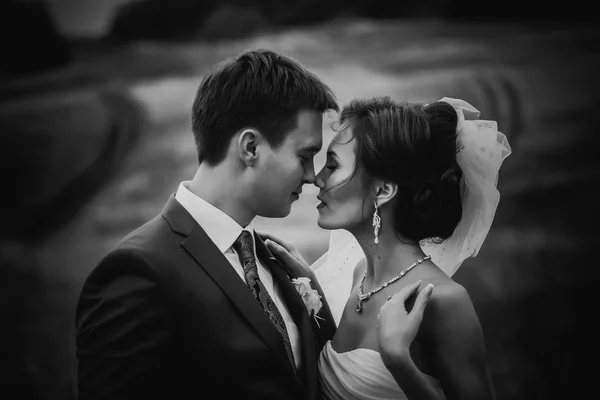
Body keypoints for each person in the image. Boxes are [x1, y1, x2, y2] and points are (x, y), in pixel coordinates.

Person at [75, 49, 340, 400]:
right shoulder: (138, 271)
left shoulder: (274, 258)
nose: (311, 176)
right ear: (250, 147)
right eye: (305, 156)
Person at [263, 96, 511, 399]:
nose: (317, 178)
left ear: (382, 190)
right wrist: (311, 287)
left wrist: (399, 361)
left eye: (332, 165)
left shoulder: (443, 301)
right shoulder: (360, 275)